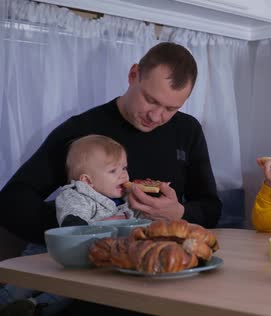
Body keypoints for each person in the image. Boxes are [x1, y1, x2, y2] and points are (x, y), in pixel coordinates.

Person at [0, 42, 222, 315]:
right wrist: (85, 228)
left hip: (160, 276)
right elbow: (12, 202)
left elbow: (212, 207)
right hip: (98, 280)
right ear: (133, 75)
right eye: (151, 100)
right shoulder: (82, 130)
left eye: (170, 108)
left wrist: (179, 212)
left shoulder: (188, 130)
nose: (156, 116)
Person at [0, 135, 134, 316]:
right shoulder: (75, 195)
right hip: (47, 252)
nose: (123, 175)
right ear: (87, 181)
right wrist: (106, 224)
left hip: (83, 260)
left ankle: (35, 307)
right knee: (21, 285)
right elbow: (74, 225)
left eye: (124, 168)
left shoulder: (122, 201)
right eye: (113, 171)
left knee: (67, 292)